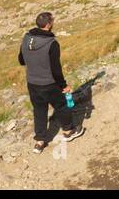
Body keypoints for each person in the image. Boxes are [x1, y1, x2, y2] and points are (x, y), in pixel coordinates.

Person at [18, 11, 83, 152]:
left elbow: (21, 60)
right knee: (61, 105)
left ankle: (40, 142)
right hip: (49, 83)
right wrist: (63, 85)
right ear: (48, 25)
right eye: (52, 21)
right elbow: (56, 69)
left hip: (32, 83)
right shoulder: (52, 43)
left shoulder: (26, 38)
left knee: (39, 110)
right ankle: (68, 131)